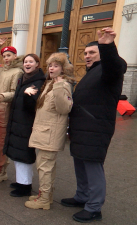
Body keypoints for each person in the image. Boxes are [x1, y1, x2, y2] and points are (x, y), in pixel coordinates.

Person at [61, 28, 127, 223]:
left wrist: (107, 45)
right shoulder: (92, 72)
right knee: (80, 163)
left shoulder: (110, 69)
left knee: (92, 166)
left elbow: (114, 64)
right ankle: (82, 196)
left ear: (102, 54)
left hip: (95, 128)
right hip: (81, 128)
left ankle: (94, 207)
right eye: (85, 53)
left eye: (92, 53)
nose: (86, 56)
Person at [24, 52, 74, 210]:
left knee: (44, 167)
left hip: (50, 134)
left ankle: (44, 199)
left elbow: (64, 108)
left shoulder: (62, 84)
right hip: (44, 132)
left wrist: (59, 86)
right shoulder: (51, 83)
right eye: (50, 65)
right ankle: (46, 195)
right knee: (46, 167)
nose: (51, 68)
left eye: (56, 66)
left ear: (63, 69)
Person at [3, 54, 46, 196]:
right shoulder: (23, 79)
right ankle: (21, 181)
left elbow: (32, 107)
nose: (27, 64)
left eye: (31, 62)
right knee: (16, 153)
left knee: (24, 154)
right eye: (25, 62)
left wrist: (29, 97)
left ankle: (25, 186)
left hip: (26, 123)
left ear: (37, 64)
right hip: (18, 121)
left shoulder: (38, 82)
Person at [0, 38, 24, 183]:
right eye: (4, 56)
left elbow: (16, 92)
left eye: (9, 55)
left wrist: (4, 96)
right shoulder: (1, 68)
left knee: (1, 142)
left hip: (5, 110)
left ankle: (1, 170)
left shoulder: (18, 72)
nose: (6, 58)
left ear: (15, 56)